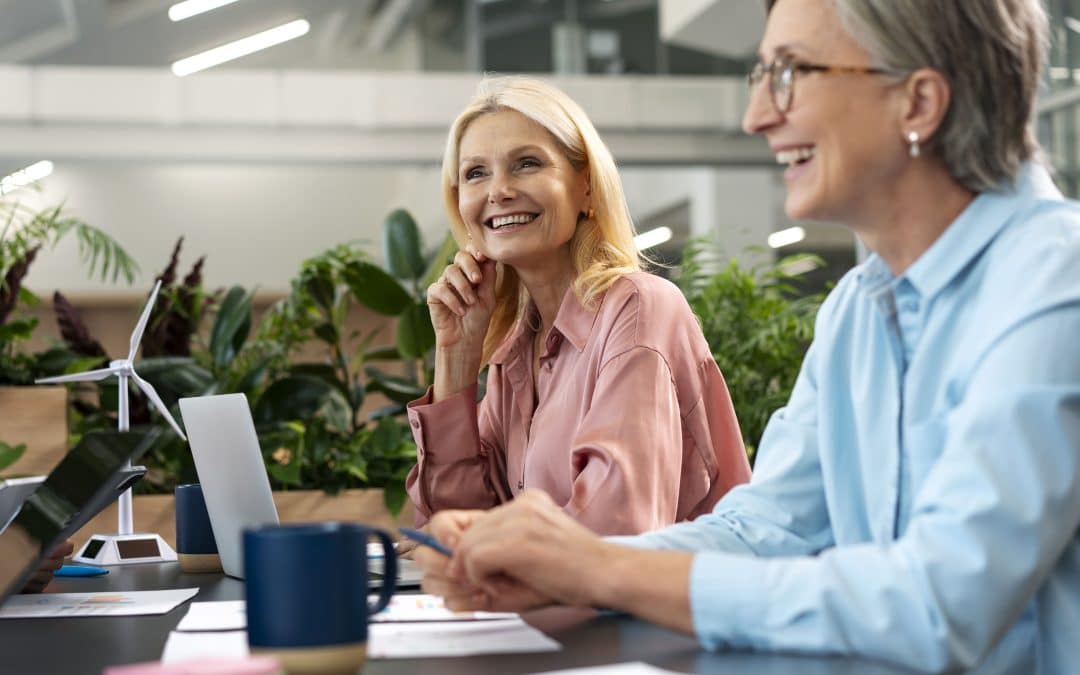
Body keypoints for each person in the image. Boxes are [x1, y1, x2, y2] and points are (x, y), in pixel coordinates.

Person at [414, 1, 1080, 673]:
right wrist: (566, 568)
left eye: (790, 73)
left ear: (919, 102)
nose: (757, 114)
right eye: (762, 75)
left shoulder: (1058, 281)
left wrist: (597, 570)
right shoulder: (858, 309)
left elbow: (940, 603)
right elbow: (764, 529)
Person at [404, 76, 750, 537]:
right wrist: (457, 360)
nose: (498, 190)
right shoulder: (516, 351)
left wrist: (477, 550)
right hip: (549, 608)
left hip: (657, 608)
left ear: (585, 187)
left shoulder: (638, 311)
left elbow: (613, 533)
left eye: (526, 163)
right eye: (475, 173)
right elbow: (451, 525)